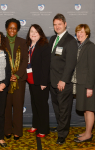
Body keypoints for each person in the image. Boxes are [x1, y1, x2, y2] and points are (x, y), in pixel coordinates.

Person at [49, 13, 78, 144]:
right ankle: (61, 126)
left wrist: (63, 80)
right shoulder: (52, 39)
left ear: (65, 24)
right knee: (56, 107)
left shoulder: (70, 40)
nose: (57, 27)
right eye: (55, 24)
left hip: (63, 83)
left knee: (64, 109)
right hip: (52, 81)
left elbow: (71, 63)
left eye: (59, 24)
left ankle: (62, 134)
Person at [4, 18, 28, 140]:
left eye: (14, 28)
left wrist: (17, 74)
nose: (12, 30)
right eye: (10, 28)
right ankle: (7, 129)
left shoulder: (23, 42)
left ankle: (17, 131)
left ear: (17, 29)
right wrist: (8, 76)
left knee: (18, 106)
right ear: (6, 29)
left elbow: (25, 60)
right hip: (5, 79)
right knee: (6, 106)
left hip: (19, 79)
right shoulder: (1, 42)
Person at [26, 24, 51, 137]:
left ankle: (43, 129)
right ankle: (35, 125)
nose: (33, 33)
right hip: (31, 80)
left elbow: (46, 66)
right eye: (32, 31)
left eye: (36, 32)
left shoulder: (44, 45)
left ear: (40, 34)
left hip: (41, 81)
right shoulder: (28, 45)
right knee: (34, 104)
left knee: (42, 106)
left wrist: (43, 82)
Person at [72, 24, 95, 143]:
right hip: (81, 83)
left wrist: (90, 87)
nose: (79, 34)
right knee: (86, 109)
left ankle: (88, 135)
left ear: (87, 33)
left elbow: (92, 68)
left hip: (87, 84)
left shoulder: (90, 46)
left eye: (82, 32)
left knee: (89, 109)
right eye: (77, 32)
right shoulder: (80, 46)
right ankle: (87, 132)